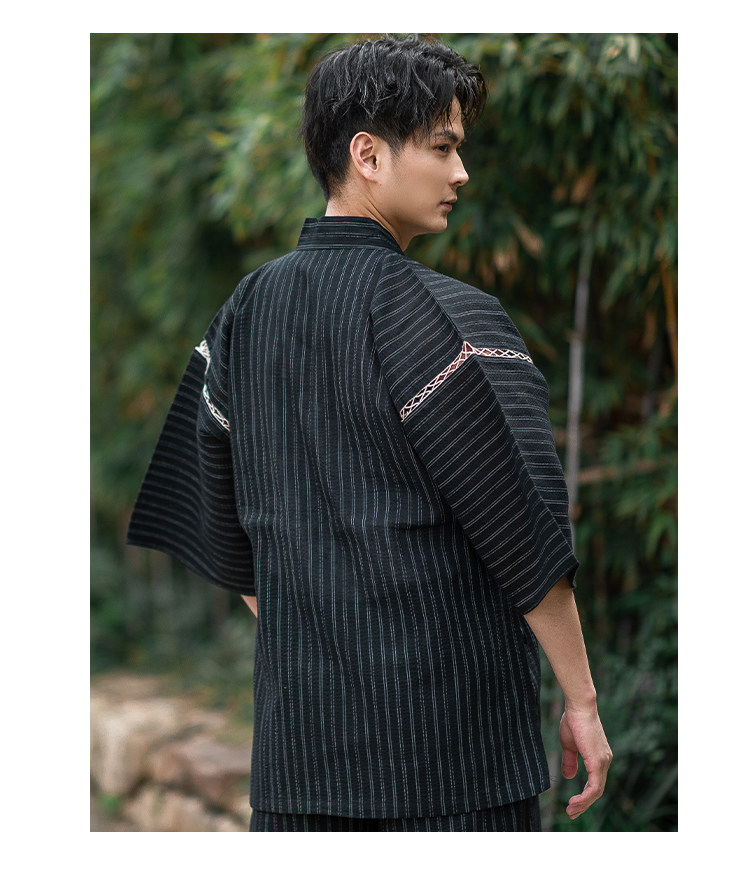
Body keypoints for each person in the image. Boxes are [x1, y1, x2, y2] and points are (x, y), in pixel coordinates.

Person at [127, 34, 612, 832]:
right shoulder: (450, 314)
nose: (461, 172)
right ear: (368, 155)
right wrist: (582, 700)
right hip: (455, 763)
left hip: (300, 761)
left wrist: (321, 630)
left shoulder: (245, 313)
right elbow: (521, 529)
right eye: (443, 147)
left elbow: (213, 517)